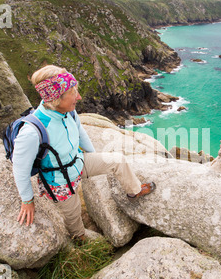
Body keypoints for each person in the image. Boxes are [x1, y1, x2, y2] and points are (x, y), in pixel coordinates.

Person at [12, 65, 155, 240]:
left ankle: (134, 191)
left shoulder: (68, 112)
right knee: (74, 218)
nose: (78, 97)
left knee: (118, 160)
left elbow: (80, 133)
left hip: (77, 162)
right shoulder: (32, 132)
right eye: (73, 93)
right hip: (59, 182)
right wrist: (27, 201)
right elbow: (20, 170)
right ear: (57, 98)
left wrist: (95, 157)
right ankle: (81, 241)